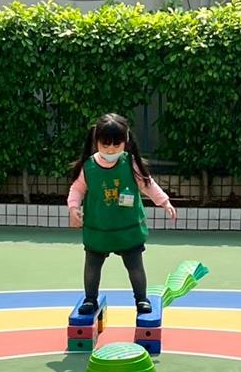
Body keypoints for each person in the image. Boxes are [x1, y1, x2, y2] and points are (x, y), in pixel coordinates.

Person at [68, 112, 177, 316]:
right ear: (96, 141)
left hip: (128, 229)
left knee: (135, 266)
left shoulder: (130, 163)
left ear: (125, 141)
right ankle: (90, 299)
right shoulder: (88, 167)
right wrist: (73, 208)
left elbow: (148, 184)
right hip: (98, 228)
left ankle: (141, 299)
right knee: (92, 266)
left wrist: (164, 201)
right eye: (105, 144)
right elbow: (77, 189)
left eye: (116, 145)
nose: (111, 150)